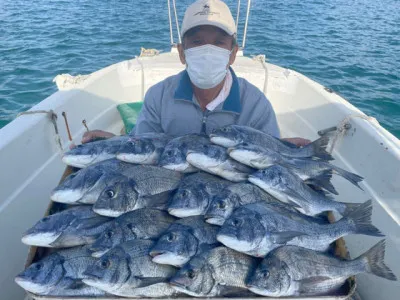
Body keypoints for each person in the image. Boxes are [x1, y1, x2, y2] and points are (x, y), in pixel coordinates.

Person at [82, 0, 310, 146]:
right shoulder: (158, 96)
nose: (208, 51)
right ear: (182, 52)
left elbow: (268, 162)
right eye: (197, 42)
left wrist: (285, 150)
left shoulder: (256, 104)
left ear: (232, 54)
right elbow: (143, 148)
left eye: (219, 42)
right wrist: (113, 143)